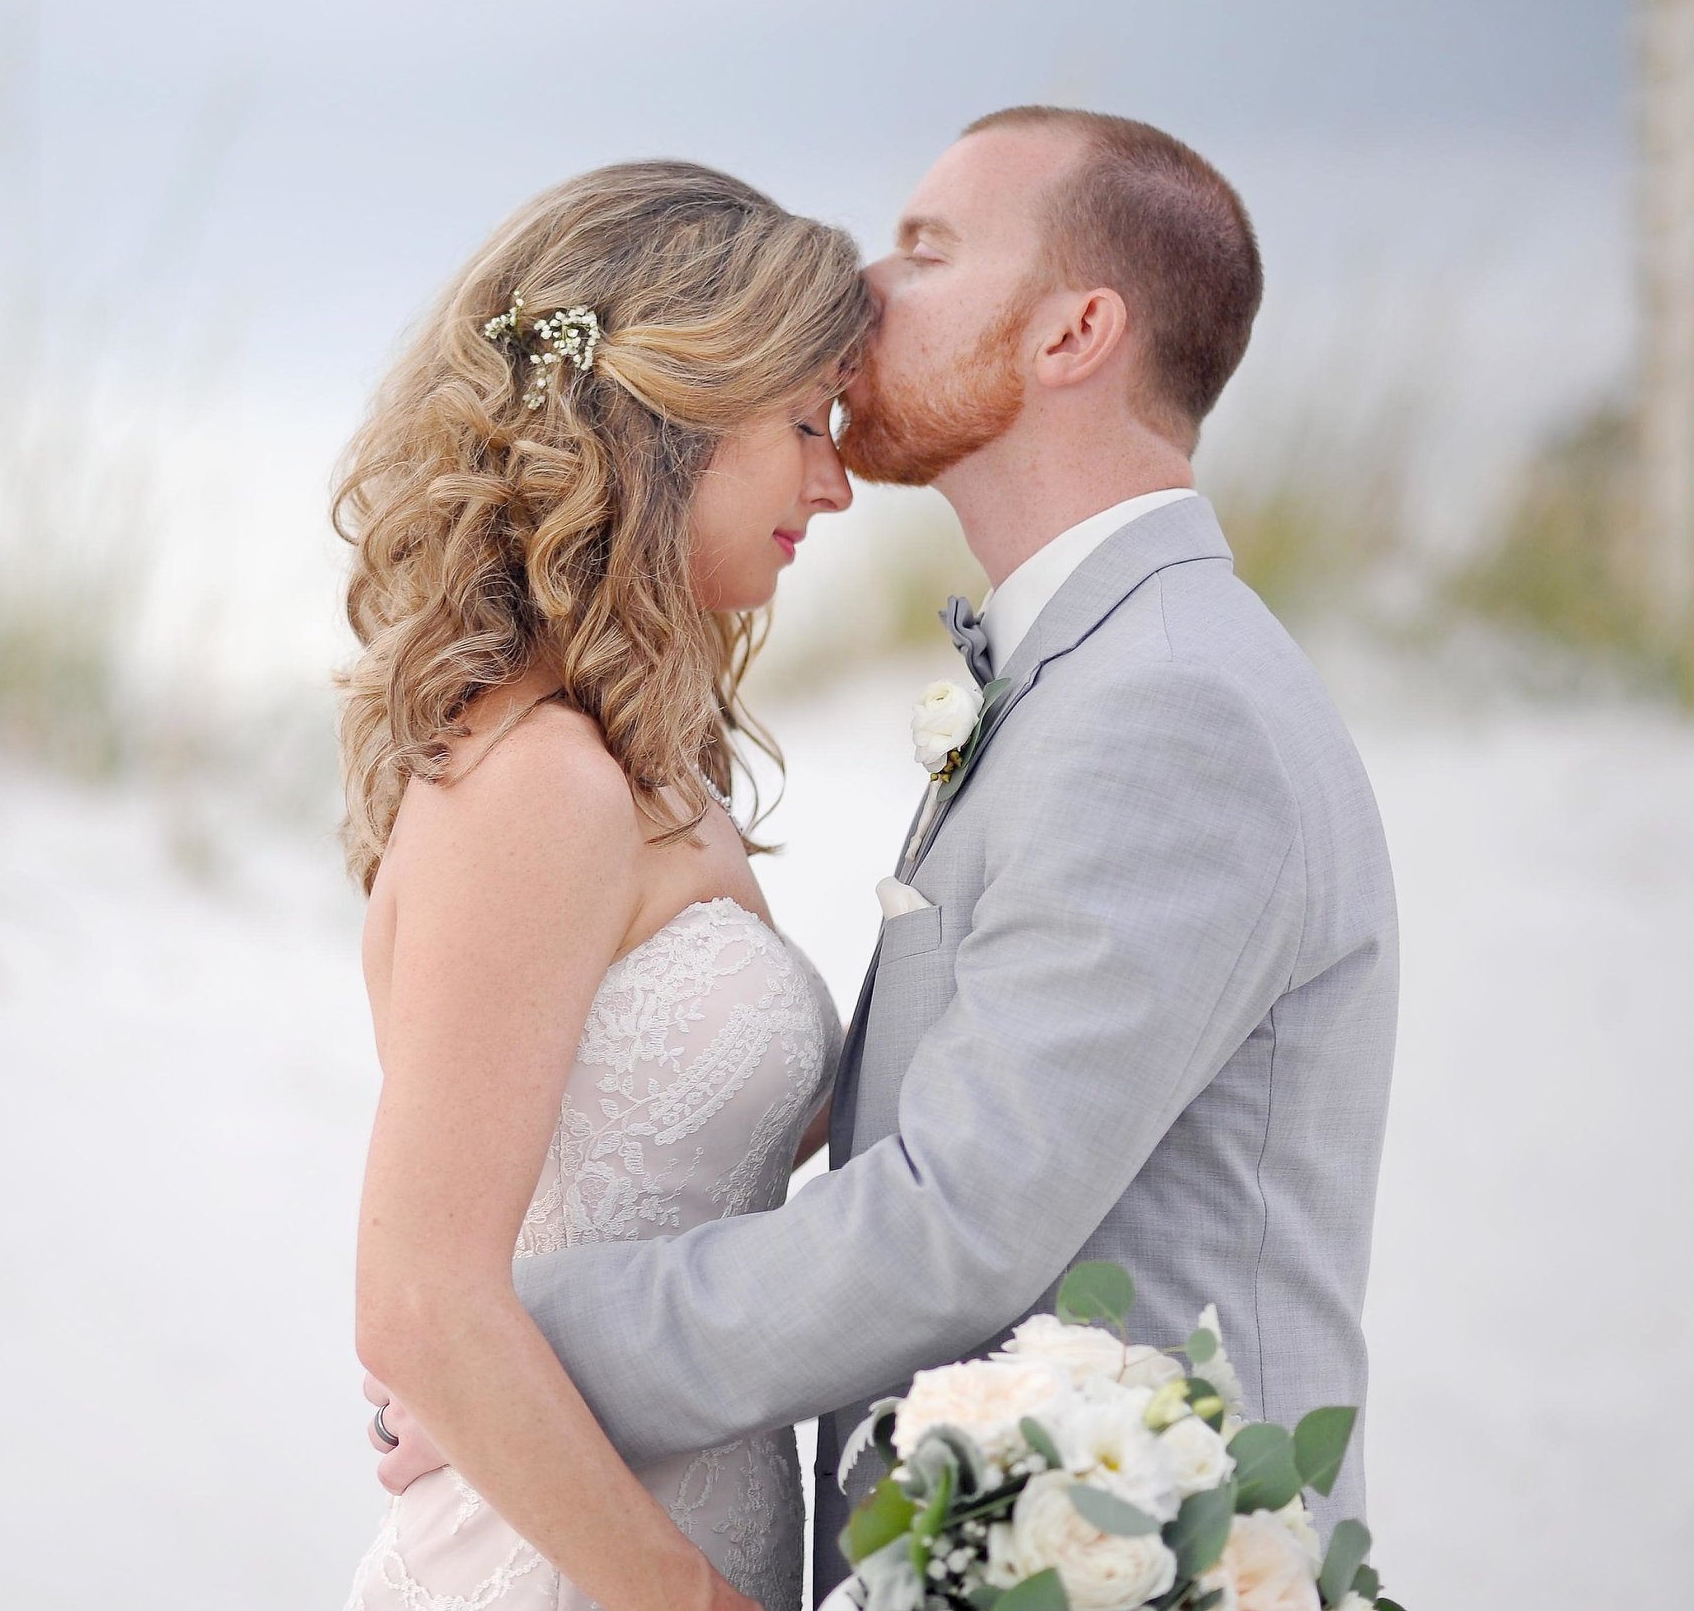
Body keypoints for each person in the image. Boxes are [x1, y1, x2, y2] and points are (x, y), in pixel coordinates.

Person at [365, 108, 1401, 1606]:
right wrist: (457, 1338)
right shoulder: (1078, 679)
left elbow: (951, 1219)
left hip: (1125, 1548)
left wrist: (508, 1339)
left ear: (1074, 333)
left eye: (926, 249)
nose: (864, 281)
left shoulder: (1160, 703)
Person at [333, 160, 875, 1611]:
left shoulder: (651, 766)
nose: (836, 480)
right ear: (673, 422)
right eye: (807, 425)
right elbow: (421, 1301)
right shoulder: (536, 786)